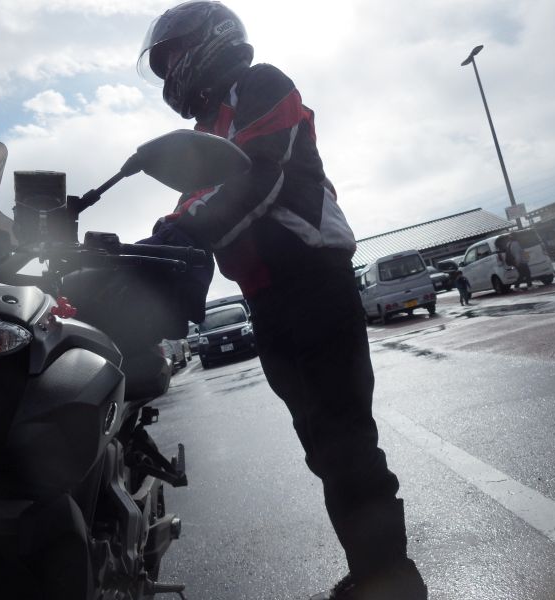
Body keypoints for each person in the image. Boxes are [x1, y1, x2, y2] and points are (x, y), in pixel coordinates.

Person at [136, 3, 427, 598]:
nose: (170, 71)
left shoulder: (261, 84)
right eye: (161, 64)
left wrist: (176, 232)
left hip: (314, 284)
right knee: (322, 445)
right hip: (267, 300)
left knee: (345, 440)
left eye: (172, 56)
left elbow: (255, 174)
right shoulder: (205, 132)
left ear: (209, 39)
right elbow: (192, 202)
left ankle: (392, 580)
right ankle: (371, 569)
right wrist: (144, 246)